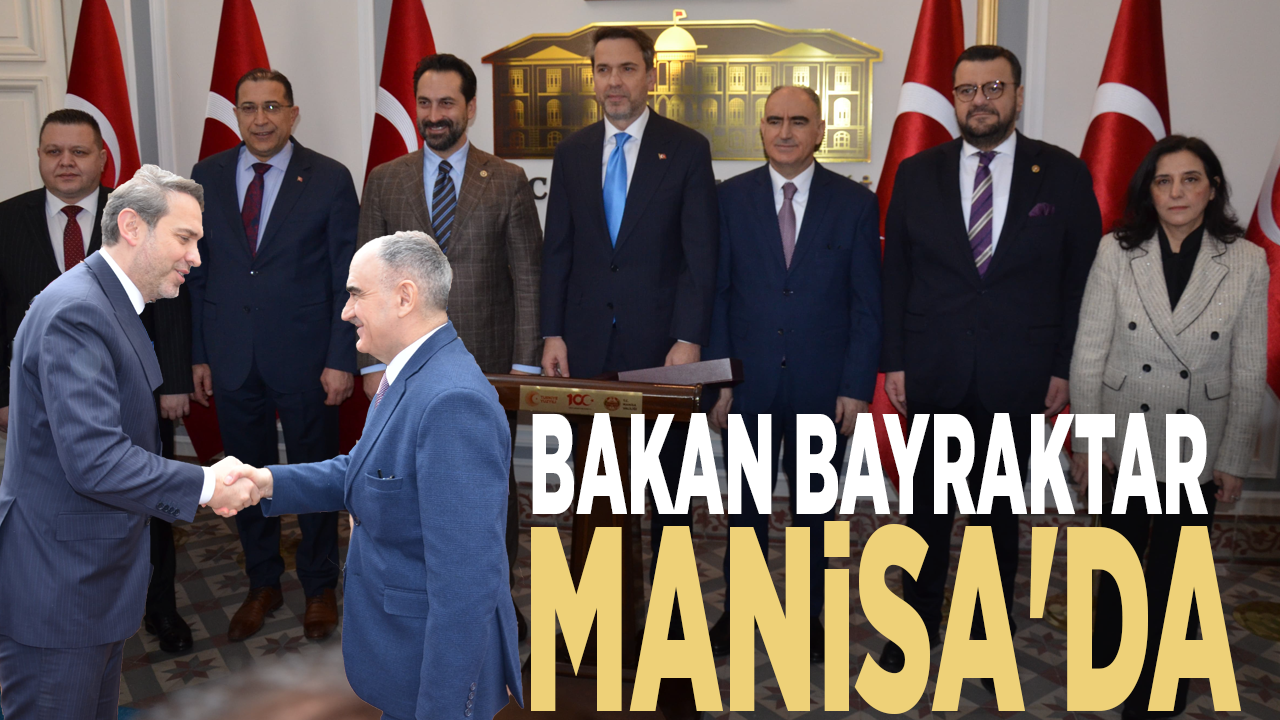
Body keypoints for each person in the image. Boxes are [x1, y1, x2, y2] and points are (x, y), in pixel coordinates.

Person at [227, 231, 523, 720]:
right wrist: (267, 482)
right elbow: (369, 470)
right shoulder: (413, 372)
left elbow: (464, 588)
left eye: (356, 294)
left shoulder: (452, 402)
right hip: (404, 658)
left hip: (433, 680)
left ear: (405, 297)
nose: (345, 312)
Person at [0, 165, 259, 720]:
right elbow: (95, 462)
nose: (195, 257)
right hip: (60, 590)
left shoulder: (110, 303)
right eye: (185, 238)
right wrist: (207, 483)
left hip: (92, 581)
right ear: (132, 227)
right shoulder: (78, 311)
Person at [879, 45, 1102, 687]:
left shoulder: (1061, 173)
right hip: (934, 370)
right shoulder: (917, 172)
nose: (980, 100)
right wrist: (895, 360)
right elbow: (897, 276)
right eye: (967, 90)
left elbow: (1080, 281)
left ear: (1018, 96)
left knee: (996, 517)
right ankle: (914, 631)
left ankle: (985, 639)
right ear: (953, 98)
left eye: (994, 87)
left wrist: (1064, 366)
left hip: (1021, 375)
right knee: (925, 514)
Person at [1070, 136, 1267, 719]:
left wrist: (1234, 457)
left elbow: (1248, 369)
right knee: (1118, 559)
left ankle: (1163, 681)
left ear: (1212, 188)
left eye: (1190, 179)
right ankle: (1109, 663)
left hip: (1197, 439)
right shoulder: (1116, 251)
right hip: (1124, 436)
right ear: (1148, 191)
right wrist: (1088, 443)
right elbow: (1089, 354)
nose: (1177, 192)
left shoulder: (1246, 260)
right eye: (1164, 181)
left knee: (1178, 570)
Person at [357, 53, 542, 637]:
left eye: (446, 103)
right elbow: (363, 278)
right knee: (408, 486)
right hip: (403, 367)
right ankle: (422, 600)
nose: (434, 115)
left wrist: (523, 368)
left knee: (489, 490)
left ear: (470, 107)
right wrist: (367, 362)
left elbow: (527, 278)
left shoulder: (506, 179)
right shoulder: (385, 179)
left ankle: (496, 604)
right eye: (425, 103)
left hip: (485, 367)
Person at [0, 108, 196, 653]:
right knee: (56, 504)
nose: (65, 162)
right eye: (53, 151)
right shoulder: (8, 221)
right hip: (38, 399)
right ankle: (71, 603)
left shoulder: (135, 215)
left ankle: (158, 607)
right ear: (39, 156)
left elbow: (171, 306)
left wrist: (172, 381)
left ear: (102, 158)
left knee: (146, 503)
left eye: (78, 152)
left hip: (130, 396)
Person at [705, 85, 881, 661]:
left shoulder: (854, 204)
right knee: (746, 511)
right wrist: (721, 379)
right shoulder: (728, 199)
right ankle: (741, 613)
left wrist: (856, 387)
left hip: (823, 389)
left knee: (814, 513)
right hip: (748, 387)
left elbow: (866, 305)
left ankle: (807, 619)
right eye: (775, 120)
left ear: (820, 130)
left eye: (798, 121)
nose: (785, 132)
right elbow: (717, 296)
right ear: (761, 128)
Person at [540, 25, 719, 587]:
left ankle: (672, 617)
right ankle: (596, 611)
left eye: (626, 69)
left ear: (650, 75)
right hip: (587, 348)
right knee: (596, 490)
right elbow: (558, 251)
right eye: (602, 70)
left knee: (668, 494)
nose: (613, 82)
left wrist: (688, 339)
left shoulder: (686, 148)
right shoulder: (571, 152)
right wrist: (552, 333)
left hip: (663, 352)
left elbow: (699, 257)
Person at [189, 68, 360, 642]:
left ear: (292, 113)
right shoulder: (206, 175)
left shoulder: (329, 178)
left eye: (272, 107)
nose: (260, 119)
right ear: (235, 113)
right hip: (232, 356)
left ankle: (319, 585)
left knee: (313, 476)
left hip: (309, 360)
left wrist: (341, 357)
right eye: (249, 107)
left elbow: (346, 277)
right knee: (241, 478)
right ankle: (261, 581)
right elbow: (197, 273)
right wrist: (199, 355)